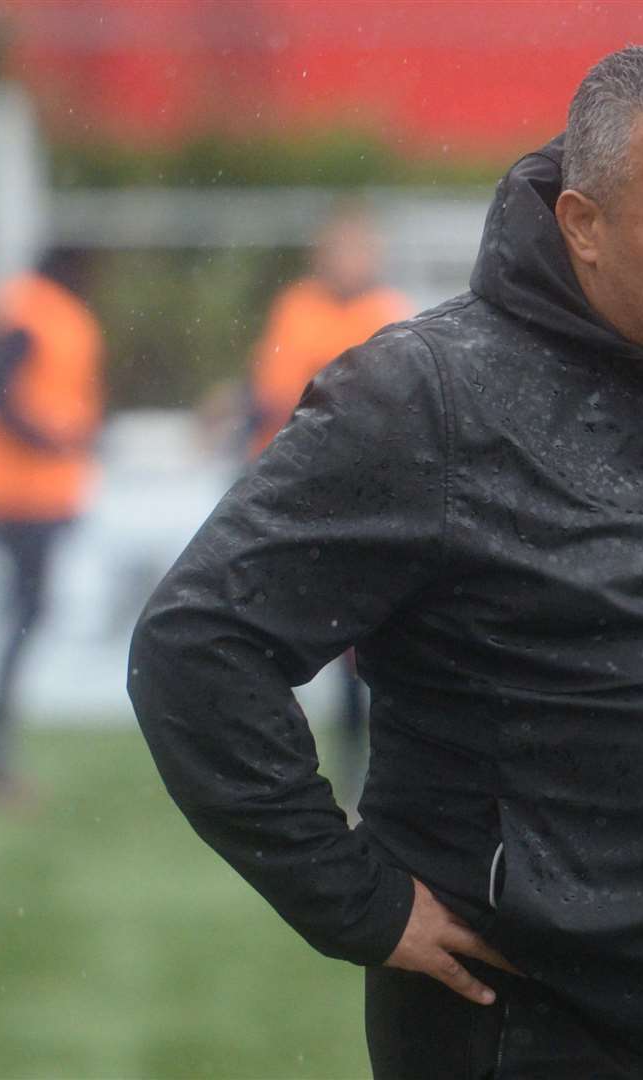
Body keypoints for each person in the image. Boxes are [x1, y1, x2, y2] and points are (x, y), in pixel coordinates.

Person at [129, 44, 643, 1080]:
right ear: (583, 225)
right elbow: (199, 645)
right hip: (530, 1033)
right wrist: (356, 900)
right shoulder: (429, 396)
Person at [245, 203, 415, 804]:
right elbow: (273, 394)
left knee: (359, 644)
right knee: (266, 635)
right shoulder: (298, 308)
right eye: (340, 249)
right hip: (292, 494)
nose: (349, 261)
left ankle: (358, 761)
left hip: (360, 499)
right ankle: (273, 760)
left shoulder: (387, 313)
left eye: (359, 249)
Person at [0, 248, 104, 804]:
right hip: (21, 495)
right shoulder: (38, 312)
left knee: (24, 612)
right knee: (25, 612)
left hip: (34, 494)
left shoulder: (37, 309)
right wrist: (49, 437)